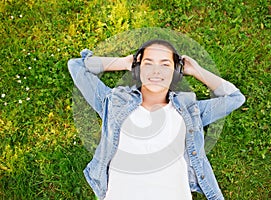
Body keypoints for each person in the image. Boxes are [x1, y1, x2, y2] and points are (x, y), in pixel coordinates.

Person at [68, 39, 245, 200]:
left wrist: (196, 71)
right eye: (148, 63)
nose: (156, 70)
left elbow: (234, 98)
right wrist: (124, 63)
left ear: (176, 71)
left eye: (165, 65)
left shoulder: (191, 111)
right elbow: (77, 66)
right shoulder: (113, 103)